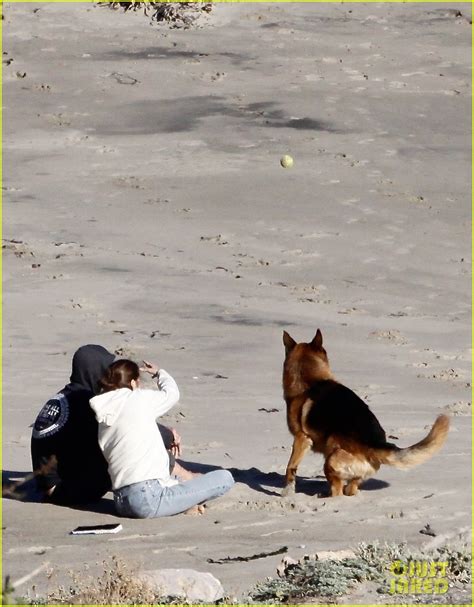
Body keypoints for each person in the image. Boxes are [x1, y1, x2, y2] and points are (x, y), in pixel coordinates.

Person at [31, 345, 192, 505]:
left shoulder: (65, 397)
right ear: (95, 371)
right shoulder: (85, 403)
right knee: (133, 444)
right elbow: (128, 427)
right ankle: (185, 478)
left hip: (49, 485)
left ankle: (178, 476)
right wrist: (168, 436)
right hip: (64, 491)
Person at [90, 359, 234, 518]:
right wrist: (159, 373)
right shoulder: (139, 398)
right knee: (224, 478)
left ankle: (181, 501)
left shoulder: (103, 416)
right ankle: (183, 503)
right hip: (147, 498)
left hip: (121, 502)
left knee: (177, 483)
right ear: (132, 383)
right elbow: (172, 394)